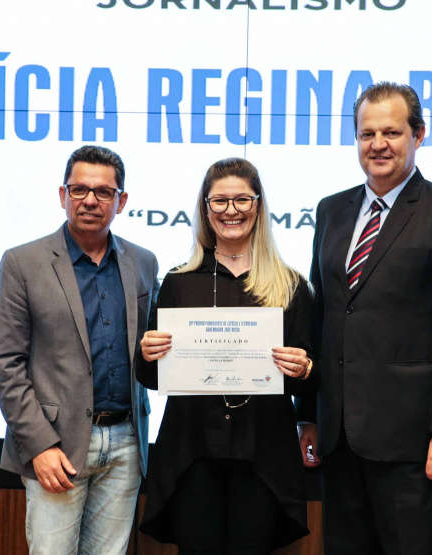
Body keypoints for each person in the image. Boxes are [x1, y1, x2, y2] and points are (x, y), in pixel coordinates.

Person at [296, 81, 432, 554]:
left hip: (414, 446)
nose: (378, 145)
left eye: (392, 132)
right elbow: (323, 316)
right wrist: (309, 416)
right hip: (340, 442)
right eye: (366, 134)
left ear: (418, 135)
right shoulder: (331, 210)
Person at [137, 158, 314, 555]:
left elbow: (313, 375)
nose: (231, 211)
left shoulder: (291, 286)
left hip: (263, 454)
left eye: (242, 200)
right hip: (192, 452)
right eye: (219, 201)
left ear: (259, 205)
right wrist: (148, 355)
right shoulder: (178, 283)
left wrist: (304, 368)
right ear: (205, 208)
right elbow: (149, 376)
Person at [0, 145, 159, 554]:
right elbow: (5, 363)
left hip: (125, 444)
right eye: (79, 189)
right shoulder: (22, 263)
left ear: (122, 201)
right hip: (56, 447)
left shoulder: (144, 263)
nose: (90, 200)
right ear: (63, 195)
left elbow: (153, 347)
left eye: (103, 192)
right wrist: (40, 446)